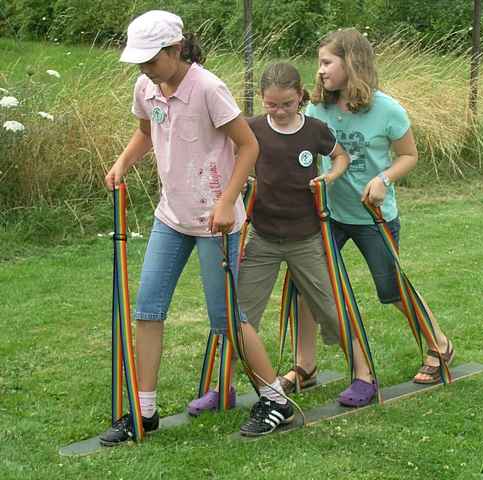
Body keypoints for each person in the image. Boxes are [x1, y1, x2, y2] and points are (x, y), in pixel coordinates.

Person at [187, 62, 380, 436]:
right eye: (271, 105)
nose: (279, 111)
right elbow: (229, 154)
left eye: (287, 104)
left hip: (305, 239)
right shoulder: (254, 128)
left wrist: (331, 175)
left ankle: (363, 376)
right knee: (238, 315)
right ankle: (221, 387)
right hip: (261, 238)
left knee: (330, 306)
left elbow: (341, 156)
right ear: (262, 101)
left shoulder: (314, 131)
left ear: (301, 97)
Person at [99, 10, 258, 445]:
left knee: (226, 318)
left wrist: (228, 201)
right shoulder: (146, 86)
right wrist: (122, 163)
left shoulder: (208, 88)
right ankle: (144, 411)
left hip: (215, 218)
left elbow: (249, 146)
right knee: (147, 310)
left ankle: (275, 398)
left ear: (176, 50)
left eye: (152, 59)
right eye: (140, 62)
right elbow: (146, 133)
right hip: (172, 216)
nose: (145, 69)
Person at [284, 28, 453, 390]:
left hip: (371, 216)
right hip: (328, 216)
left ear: (352, 62)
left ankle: (439, 345)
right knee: (305, 284)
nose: (321, 71)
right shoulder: (318, 107)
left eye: (327, 62)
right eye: (319, 63)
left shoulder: (386, 109)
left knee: (391, 288)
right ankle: (306, 366)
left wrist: (384, 179)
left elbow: (409, 156)